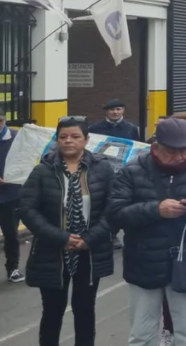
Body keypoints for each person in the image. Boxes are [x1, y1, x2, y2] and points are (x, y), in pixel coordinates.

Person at [107, 117, 186, 346]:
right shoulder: (132, 171)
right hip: (144, 261)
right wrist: (156, 210)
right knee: (142, 334)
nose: (181, 156)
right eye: (173, 151)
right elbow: (115, 213)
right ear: (156, 147)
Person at [19, 116, 115, 346]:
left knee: (84, 310)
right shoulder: (43, 171)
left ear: (86, 140)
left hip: (89, 251)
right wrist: (60, 237)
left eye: (75, 137)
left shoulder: (102, 169)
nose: (68, 141)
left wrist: (89, 239)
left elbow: (113, 210)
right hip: (52, 251)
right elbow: (27, 209)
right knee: (52, 311)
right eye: (63, 137)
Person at [0, 108, 23, 283]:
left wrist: (13, 178)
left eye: (0, 120)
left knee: (11, 234)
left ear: (5, 119)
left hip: (11, 195)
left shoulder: (18, 138)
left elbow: (28, 161)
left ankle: (13, 268)